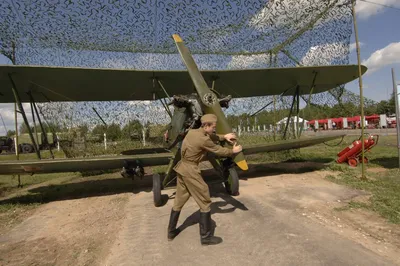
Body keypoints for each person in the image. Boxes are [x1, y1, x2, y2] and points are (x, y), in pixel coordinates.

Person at [167, 113, 242, 245]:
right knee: (205, 199)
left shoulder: (193, 132)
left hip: (182, 168)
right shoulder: (203, 140)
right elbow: (218, 150)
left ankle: (171, 232)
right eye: (213, 126)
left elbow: (210, 136)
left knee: (179, 200)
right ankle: (206, 237)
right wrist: (233, 151)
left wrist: (224, 136)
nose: (214, 128)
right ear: (206, 125)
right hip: (190, 170)